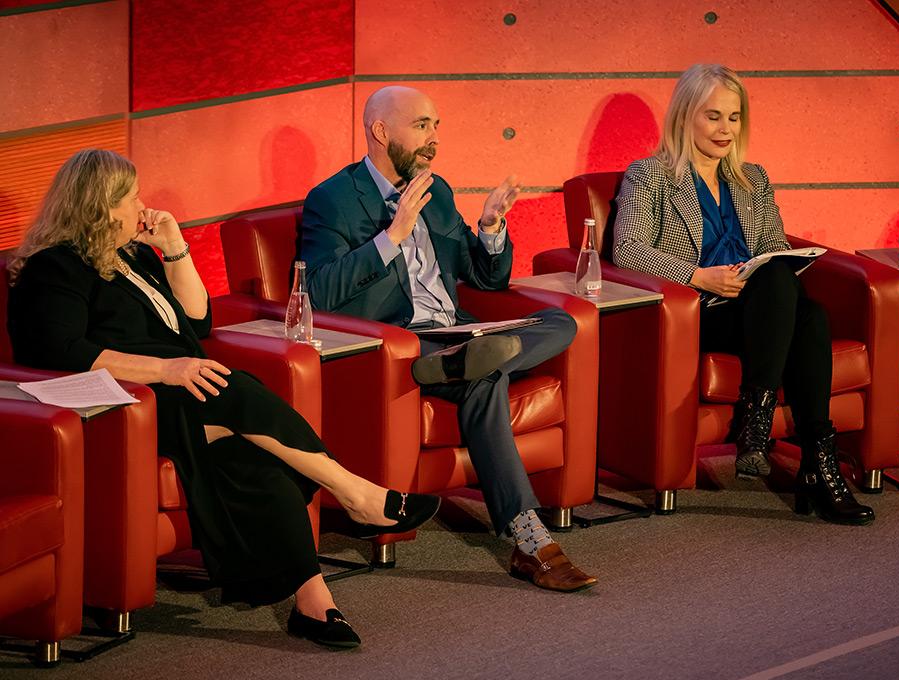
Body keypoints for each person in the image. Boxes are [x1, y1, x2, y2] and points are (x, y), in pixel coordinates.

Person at [6, 149, 443, 648]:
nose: (142, 205)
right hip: (121, 406)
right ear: (100, 207)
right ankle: (357, 493)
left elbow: (198, 323)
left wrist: (174, 250)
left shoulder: (133, 258)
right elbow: (60, 350)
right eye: (131, 197)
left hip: (175, 387)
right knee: (234, 387)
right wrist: (167, 369)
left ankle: (314, 601)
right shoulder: (54, 267)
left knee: (251, 454)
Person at [299, 86, 596, 591]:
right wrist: (390, 238)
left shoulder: (437, 192)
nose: (433, 138)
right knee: (483, 379)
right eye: (421, 126)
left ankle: (468, 360)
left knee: (563, 321)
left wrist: (490, 225)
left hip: (457, 333)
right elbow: (317, 293)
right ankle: (532, 543)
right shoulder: (332, 200)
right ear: (380, 131)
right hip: (403, 343)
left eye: (435, 126)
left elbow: (485, 279)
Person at [612, 63, 874, 526]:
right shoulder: (649, 175)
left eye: (733, 117)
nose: (725, 129)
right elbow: (627, 250)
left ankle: (788, 441)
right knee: (803, 311)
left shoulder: (753, 179)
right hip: (697, 312)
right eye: (713, 116)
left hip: (760, 312)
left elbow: (773, 250)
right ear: (685, 116)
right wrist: (697, 275)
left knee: (795, 298)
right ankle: (809, 459)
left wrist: (780, 264)